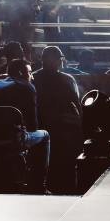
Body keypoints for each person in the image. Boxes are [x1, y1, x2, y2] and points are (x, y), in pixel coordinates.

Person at [0, 58, 51, 194]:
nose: (32, 76)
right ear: (21, 72)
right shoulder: (27, 87)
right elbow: (32, 126)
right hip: (13, 140)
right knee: (44, 135)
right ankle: (39, 184)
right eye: (30, 72)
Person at [32, 46, 80, 193]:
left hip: (38, 127)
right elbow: (76, 106)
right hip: (62, 131)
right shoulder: (67, 80)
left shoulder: (32, 78)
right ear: (60, 61)